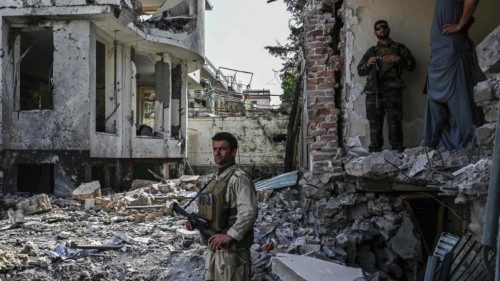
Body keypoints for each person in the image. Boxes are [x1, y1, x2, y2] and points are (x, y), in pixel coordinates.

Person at [186, 132, 258, 281]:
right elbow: (210, 211)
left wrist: (229, 236)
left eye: (222, 148)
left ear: (233, 152)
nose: (217, 153)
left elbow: (249, 212)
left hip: (233, 252)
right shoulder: (215, 178)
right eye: (214, 149)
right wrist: (195, 223)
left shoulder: (239, 178)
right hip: (214, 248)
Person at [421, 0, 480, 150]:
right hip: (439, 52)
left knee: (459, 98)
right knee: (435, 100)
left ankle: (468, 145)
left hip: (452, 50)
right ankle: (435, 144)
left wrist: (460, 24)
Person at [357, 20, 416, 153]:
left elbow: (412, 65)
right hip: (374, 91)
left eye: (384, 27)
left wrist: (398, 59)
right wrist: (368, 63)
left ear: (388, 29)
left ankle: (397, 152)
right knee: (374, 123)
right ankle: (375, 153)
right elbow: (360, 71)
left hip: (393, 90)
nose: (381, 30)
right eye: (378, 29)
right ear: (375, 33)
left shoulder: (399, 48)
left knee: (395, 122)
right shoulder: (371, 51)